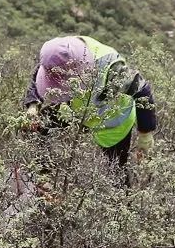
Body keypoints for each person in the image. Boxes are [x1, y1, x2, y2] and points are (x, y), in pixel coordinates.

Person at [22, 36, 157, 166]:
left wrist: (145, 135)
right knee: (35, 126)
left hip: (112, 120)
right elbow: (42, 71)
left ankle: (122, 186)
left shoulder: (112, 68)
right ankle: (43, 177)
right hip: (77, 110)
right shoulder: (58, 52)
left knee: (116, 169)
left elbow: (142, 90)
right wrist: (33, 105)